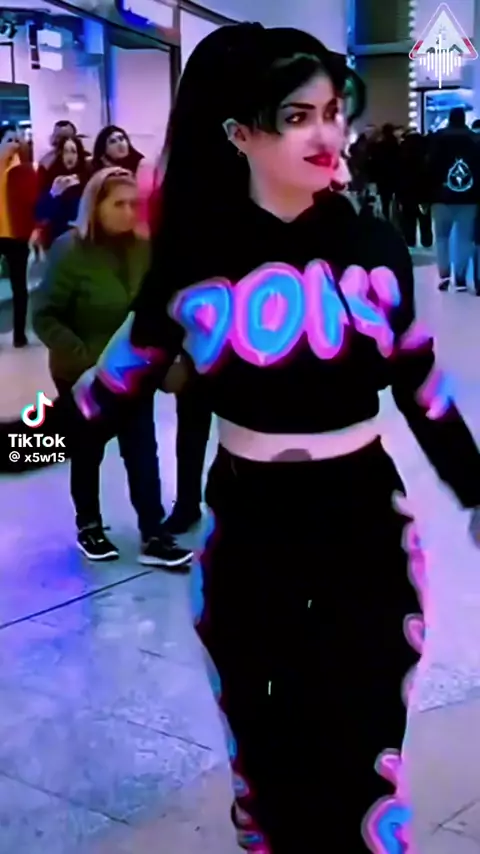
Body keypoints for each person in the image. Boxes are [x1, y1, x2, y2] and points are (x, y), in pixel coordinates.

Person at [16, 23, 480, 852]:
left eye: (332, 112)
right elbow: (102, 400)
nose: (325, 135)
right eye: (297, 117)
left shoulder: (372, 246)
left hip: (367, 528)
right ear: (239, 134)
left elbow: (424, 389)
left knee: (367, 758)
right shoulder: (193, 258)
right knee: (265, 766)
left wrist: (477, 490)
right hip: (248, 534)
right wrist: (13, 444)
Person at [33, 167, 192, 568]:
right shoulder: (69, 250)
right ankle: (89, 525)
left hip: (132, 371)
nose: (129, 212)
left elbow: (156, 307)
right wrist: (84, 357)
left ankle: (153, 534)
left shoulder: (143, 248)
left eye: (134, 204)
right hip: (82, 373)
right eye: (119, 204)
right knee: (87, 451)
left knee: (142, 451)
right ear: (96, 206)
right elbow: (45, 316)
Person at [426, 107, 480, 292]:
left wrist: (428, 194)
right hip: (468, 198)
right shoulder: (474, 140)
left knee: (442, 237)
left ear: (449, 119)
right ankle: (461, 277)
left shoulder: (437, 139)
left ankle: (444, 275)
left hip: (441, 197)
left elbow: (430, 168)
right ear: (464, 119)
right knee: (464, 239)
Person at [0, 124, 38, 347]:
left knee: (19, 287)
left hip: (17, 235)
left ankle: (19, 333)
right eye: (9, 140)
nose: (14, 145)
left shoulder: (23, 169)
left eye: (17, 140)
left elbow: (31, 202)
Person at [91, 125, 156, 235]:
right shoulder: (99, 174)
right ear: (103, 149)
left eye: (122, 139)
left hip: (142, 226)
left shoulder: (144, 166)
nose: (120, 144)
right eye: (112, 141)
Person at [34, 136, 89, 250]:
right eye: (65, 152)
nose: (69, 156)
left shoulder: (87, 179)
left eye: (73, 151)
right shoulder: (53, 179)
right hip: (58, 241)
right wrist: (54, 193)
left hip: (83, 241)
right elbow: (41, 216)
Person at [396, 131, 433, 249]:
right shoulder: (425, 158)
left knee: (408, 218)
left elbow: (398, 176)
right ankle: (426, 240)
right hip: (423, 193)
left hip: (407, 193)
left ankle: (410, 240)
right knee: (424, 218)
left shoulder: (403, 157)